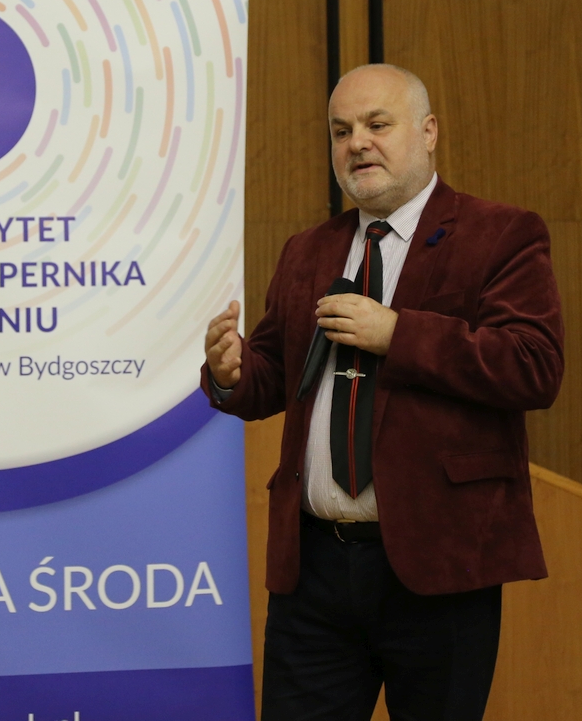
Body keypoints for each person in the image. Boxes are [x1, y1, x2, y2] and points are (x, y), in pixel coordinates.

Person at [203, 64, 563, 721]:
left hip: (438, 566)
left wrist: (399, 334)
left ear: (428, 132)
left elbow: (532, 366)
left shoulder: (499, 234)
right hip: (313, 571)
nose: (357, 144)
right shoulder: (307, 251)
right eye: (341, 131)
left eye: (377, 124)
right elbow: (273, 378)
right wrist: (231, 374)